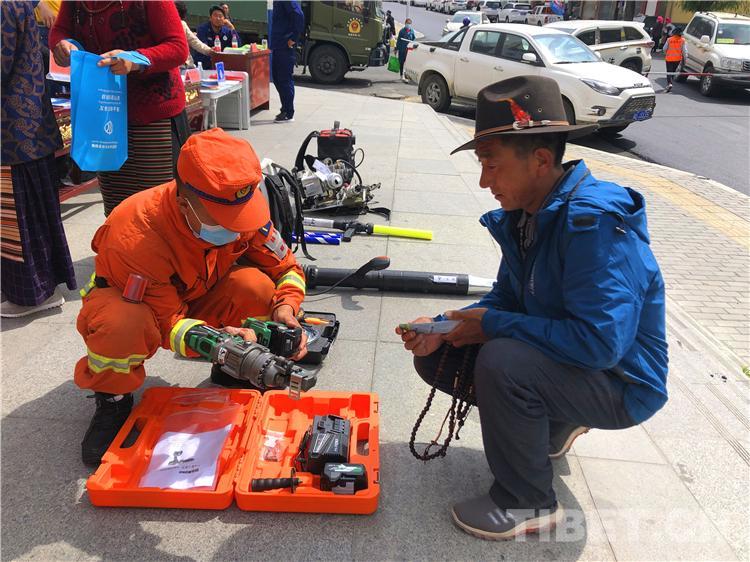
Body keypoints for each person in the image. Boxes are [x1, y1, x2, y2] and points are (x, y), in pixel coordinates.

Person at [397, 76, 668, 541]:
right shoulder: (529, 213)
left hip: (622, 382)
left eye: (492, 165)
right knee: (440, 353)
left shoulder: (594, 225)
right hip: (579, 362)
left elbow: (601, 344)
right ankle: (557, 422)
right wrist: (445, 326)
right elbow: (507, 297)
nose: (484, 181)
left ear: (540, 160)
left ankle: (527, 502)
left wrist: (493, 326)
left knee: (503, 360)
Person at [75, 128, 309, 467]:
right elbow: (167, 323)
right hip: (140, 304)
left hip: (196, 293)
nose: (237, 228)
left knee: (256, 287)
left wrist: (286, 307)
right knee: (120, 322)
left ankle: (233, 371)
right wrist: (217, 339)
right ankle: (113, 399)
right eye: (225, 220)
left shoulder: (243, 213)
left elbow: (287, 267)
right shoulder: (135, 235)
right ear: (185, 204)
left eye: (240, 216)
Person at [50, 1, 190, 217]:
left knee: (159, 211)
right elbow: (60, 31)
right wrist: (64, 45)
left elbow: (178, 47)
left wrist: (134, 59)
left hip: (152, 117)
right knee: (118, 212)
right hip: (105, 114)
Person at [1, 1, 77, 318]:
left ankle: (33, 296)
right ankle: (38, 288)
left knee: (20, 220)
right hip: (26, 129)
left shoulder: (6, 5)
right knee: (31, 217)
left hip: (14, 133)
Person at [270, 0, 304, 123]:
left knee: (284, 79)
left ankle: (288, 113)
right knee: (277, 78)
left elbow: (299, 16)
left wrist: (293, 38)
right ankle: (285, 108)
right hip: (278, 45)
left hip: (285, 46)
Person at [174, 1, 213, 68]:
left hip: (188, 65)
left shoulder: (182, 24)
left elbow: (194, 41)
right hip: (174, 66)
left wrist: (209, 51)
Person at [195, 4, 234, 68]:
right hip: (205, 65)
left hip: (223, 64)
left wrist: (232, 28)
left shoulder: (227, 31)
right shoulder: (202, 29)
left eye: (220, 16)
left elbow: (237, 46)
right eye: (215, 15)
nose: (218, 18)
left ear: (224, 19)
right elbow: (202, 48)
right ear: (210, 18)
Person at [663, 27, 685, 92]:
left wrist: (666, 53)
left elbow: (664, 48)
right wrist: (685, 58)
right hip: (677, 59)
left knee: (669, 71)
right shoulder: (682, 40)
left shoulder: (669, 39)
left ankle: (669, 83)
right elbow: (684, 50)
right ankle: (670, 82)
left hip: (669, 59)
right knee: (673, 71)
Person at [396, 18, 416, 82]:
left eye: (409, 23)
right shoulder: (402, 31)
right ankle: (401, 75)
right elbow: (399, 40)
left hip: (409, 50)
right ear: (405, 23)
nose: (408, 25)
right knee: (401, 62)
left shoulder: (412, 31)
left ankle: (407, 75)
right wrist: (396, 48)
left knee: (408, 63)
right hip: (402, 49)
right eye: (407, 23)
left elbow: (413, 39)